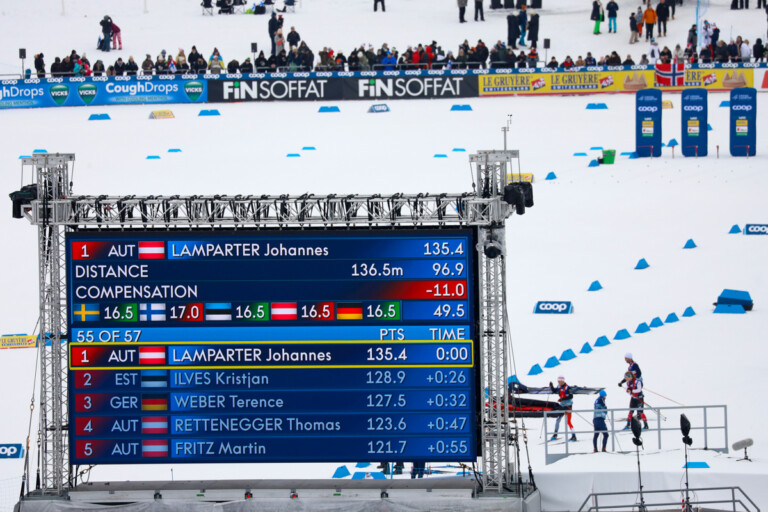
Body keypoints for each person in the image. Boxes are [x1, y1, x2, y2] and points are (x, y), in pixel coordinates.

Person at [549, 376, 576, 441]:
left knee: (568, 421)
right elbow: (555, 391)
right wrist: (551, 386)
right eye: (558, 381)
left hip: (568, 406)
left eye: (559, 381)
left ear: (562, 381)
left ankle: (573, 435)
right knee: (558, 420)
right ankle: (555, 435)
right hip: (562, 406)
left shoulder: (567, 387)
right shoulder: (559, 386)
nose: (558, 382)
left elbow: (571, 396)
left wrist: (562, 399)